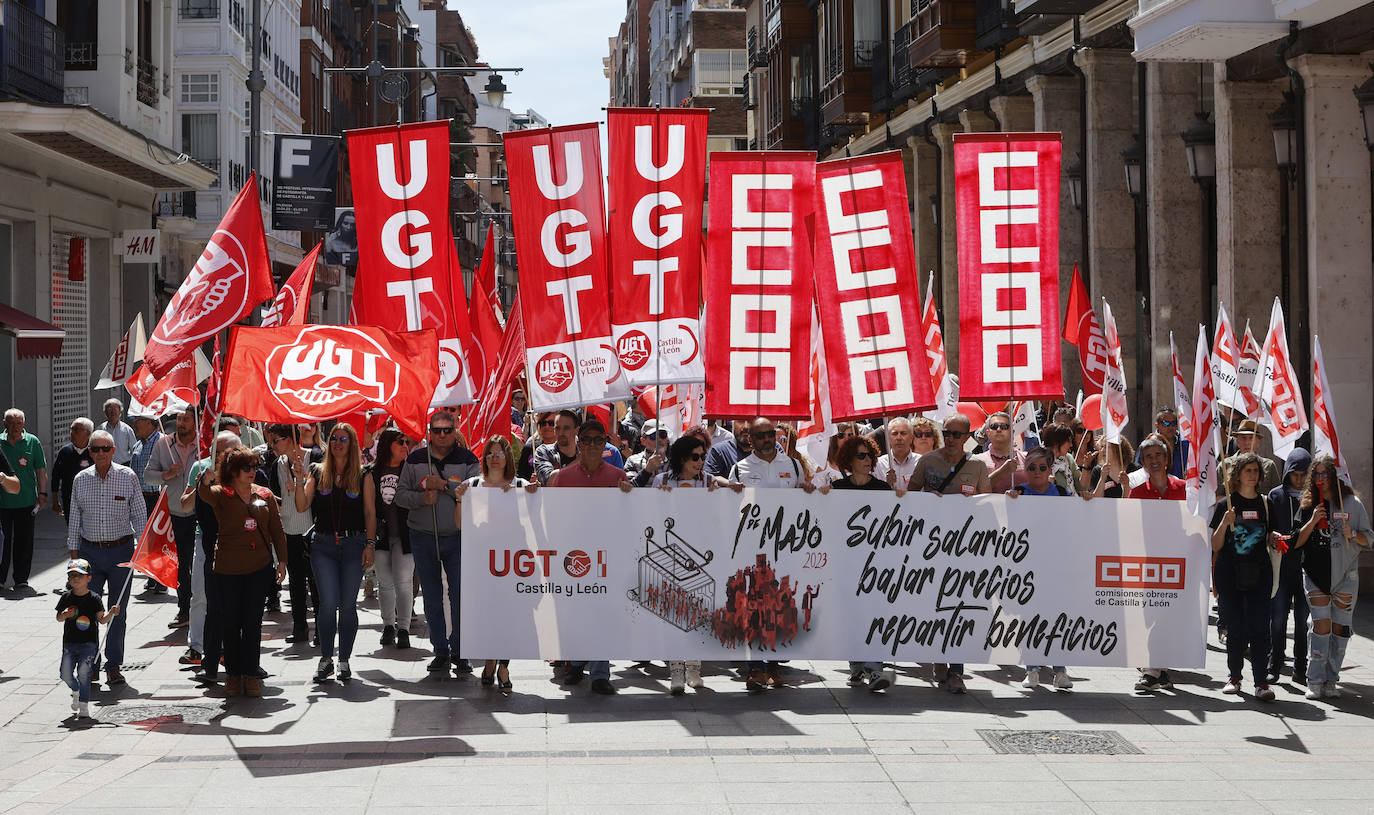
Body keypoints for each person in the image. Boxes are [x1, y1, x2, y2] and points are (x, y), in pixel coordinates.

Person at [728, 417, 816, 692]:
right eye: (761, 435)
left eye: (770, 434)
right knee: (753, 607)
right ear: (750, 440)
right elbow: (729, 506)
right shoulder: (739, 468)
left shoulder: (791, 465)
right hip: (752, 549)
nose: (768, 439)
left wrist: (809, 492)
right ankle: (755, 668)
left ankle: (774, 667)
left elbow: (804, 498)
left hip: (786, 547)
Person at [908, 413, 990, 694]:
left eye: (957, 434)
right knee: (934, 606)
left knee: (959, 608)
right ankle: (938, 658)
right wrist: (926, 498)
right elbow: (910, 495)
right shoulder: (927, 461)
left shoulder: (978, 466)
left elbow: (987, 503)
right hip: (930, 548)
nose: (951, 438)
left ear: (968, 437)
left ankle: (956, 671)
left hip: (965, 549)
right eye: (947, 433)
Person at [549, 420, 633, 694]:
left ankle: (600, 674)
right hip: (573, 557)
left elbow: (630, 515)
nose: (594, 445)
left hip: (607, 557)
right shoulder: (562, 477)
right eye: (588, 440)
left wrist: (628, 498)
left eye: (600, 440)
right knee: (576, 613)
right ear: (579, 442)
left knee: (602, 614)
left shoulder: (618, 476)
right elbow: (551, 516)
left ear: (606, 443)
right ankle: (575, 662)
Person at [197, 445, 287, 697]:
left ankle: (250, 675)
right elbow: (204, 493)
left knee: (252, 623)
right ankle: (233, 675)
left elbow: (277, 530)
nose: (252, 472)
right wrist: (203, 479)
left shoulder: (265, 494)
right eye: (246, 467)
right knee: (230, 623)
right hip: (227, 569)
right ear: (233, 471)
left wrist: (282, 562)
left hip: (258, 568)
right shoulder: (221, 493)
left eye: (255, 467)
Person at [395, 409, 479, 677]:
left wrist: (442, 486)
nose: (442, 435)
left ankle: (460, 650)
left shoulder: (468, 460)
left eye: (447, 430)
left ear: (455, 431)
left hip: (457, 536)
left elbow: (475, 494)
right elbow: (399, 496)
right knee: (431, 597)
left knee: (460, 597)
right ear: (429, 433)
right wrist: (422, 498)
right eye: (437, 430)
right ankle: (440, 650)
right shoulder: (416, 459)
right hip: (422, 535)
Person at [455, 435, 538, 693]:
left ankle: (502, 664)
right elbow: (460, 524)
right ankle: (490, 659)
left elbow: (536, 521)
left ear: (507, 457)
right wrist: (459, 499)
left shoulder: (522, 484)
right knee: (487, 615)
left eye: (499, 453)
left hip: (512, 563)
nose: (494, 457)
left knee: (509, 616)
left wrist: (531, 495)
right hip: (482, 562)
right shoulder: (473, 484)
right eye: (489, 453)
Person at [65, 429, 146, 686]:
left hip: (121, 552)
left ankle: (113, 665)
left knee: (116, 611)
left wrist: (142, 549)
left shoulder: (128, 476)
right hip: (89, 554)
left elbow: (140, 515)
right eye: (95, 449)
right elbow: (74, 519)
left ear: (113, 451)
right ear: (89, 452)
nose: (100, 453)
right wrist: (74, 559)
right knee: (87, 610)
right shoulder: (81, 479)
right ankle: (91, 663)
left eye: (105, 449)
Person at [295, 422, 373, 682]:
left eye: (344, 439)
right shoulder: (317, 471)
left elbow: (370, 513)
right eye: (335, 438)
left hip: (354, 545)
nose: (338, 442)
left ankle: (344, 660)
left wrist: (370, 545)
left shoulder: (364, 475)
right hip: (324, 546)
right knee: (328, 604)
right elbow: (302, 504)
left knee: (348, 605)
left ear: (352, 445)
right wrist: (297, 480)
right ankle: (326, 658)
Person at [1292, 456, 1372, 700]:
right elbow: (1295, 540)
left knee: (1340, 627)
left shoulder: (1352, 503)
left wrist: (1354, 533)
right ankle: (1314, 679)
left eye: (1325, 473)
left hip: (1346, 574)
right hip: (1315, 574)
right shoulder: (1307, 504)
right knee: (1320, 625)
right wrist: (1314, 519)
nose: (1321, 478)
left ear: (1335, 476)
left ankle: (1331, 678)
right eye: (1316, 474)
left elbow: (1369, 539)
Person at [1210, 452, 1279, 701]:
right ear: (1237, 474)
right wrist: (1224, 522)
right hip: (1230, 572)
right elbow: (1215, 544)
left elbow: (1272, 534)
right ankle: (1234, 677)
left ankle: (1261, 683)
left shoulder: (1266, 503)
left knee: (1260, 628)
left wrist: (1275, 538)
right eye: (1248, 470)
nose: (1253, 475)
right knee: (1236, 627)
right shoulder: (1225, 504)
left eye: (1256, 471)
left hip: (1259, 572)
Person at [831, 434, 896, 693]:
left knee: (873, 613)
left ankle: (876, 668)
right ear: (849, 460)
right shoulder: (837, 489)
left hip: (876, 564)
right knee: (852, 615)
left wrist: (896, 492)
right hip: (846, 564)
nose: (868, 460)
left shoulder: (882, 489)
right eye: (861, 455)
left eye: (870, 455)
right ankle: (857, 666)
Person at [1007, 448, 1075, 690]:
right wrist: (1008, 502)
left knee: (1057, 619)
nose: (1036, 472)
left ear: (1050, 469)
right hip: (1028, 567)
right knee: (1031, 619)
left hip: (1056, 567)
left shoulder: (1062, 494)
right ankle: (1032, 670)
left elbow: (1078, 520)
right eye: (1031, 467)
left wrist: (1088, 497)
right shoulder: (1018, 493)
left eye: (1042, 467)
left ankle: (1060, 671)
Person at [257, 423, 323, 643]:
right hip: (289, 529)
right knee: (295, 580)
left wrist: (300, 483)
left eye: (276, 440)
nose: (271, 445)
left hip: (311, 528)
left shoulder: (314, 458)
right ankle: (300, 627)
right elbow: (277, 497)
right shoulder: (278, 463)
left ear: (290, 438)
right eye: (270, 440)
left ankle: (322, 630)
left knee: (316, 580)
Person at [182, 431, 240, 682]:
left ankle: (236, 657)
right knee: (203, 598)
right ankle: (199, 649)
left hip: (237, 546)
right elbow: (185, 504)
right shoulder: (200, 468)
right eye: (223, 451)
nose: (228, 457)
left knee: (236, 605)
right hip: (207, 543)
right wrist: (202, 486)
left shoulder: (242, 471)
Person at [145, 407, 200, 630]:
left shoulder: (204, 445)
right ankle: (184, 609)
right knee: (180, 564)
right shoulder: (163, 445)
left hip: (199, 514)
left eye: (186, 419)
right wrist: (166, 475)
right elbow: (148, 476)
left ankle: (202, 607)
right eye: (178, 419)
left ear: (196, 422)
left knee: (199, 564)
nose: (181, 423)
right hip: (174, 515)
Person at [1265, 449, 1311, 686]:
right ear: (1288, 473)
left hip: (1306, 567)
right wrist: (1271, 535)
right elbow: (1267, 526)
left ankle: (1301, 666)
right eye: (1296, 474)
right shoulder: (1275, 496)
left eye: (1305, 474)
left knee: (1303, 620)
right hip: (1281, 565)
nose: (1300, 479)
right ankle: (1275, 662)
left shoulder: (1314, 497)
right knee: (1279, 616)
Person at [367, 428, 415, 650]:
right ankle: (388, 626)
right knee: (385, 583)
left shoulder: (411, 470)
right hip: (381, 536)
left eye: (407, 442)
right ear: (387, 445)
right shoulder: (371, 473)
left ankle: (403, 628)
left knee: (404, 582)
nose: (405, 446)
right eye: (400, 442)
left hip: (406, 534)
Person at [55, 558, 119, 719]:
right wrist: (65, 614)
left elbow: (102, 620)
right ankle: (75, 691)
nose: (76, 578)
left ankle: (83, 705)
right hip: (69, 643)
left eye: (80, 575)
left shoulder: (95, 599)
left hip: (88, 644)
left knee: (84, 674)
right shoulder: (66, 597)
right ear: (68, 579)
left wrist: (111, 613)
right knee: (65, 674)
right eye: (72, 575)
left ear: (89, 578)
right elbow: (58, 618)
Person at [1, 408, 47, 593]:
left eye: (18, 423)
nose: (15, 427)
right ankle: (1, 578)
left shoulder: (32, 442)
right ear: (4, 424)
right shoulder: (0, 442)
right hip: (2, 503)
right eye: (11, 423)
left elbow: (41, 471)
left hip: (26, 501)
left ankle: (21, 579)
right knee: (3, 542)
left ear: (24, 424)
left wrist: (42, 494)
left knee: (24, 541)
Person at [1220, 420, 1281, 496]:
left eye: (1251, 438)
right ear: (1237, 441)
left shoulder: (1269, 466)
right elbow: (1215, 497)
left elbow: (1277, 496)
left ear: (1258, 442)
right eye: (1243, 438)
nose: (1247, 442)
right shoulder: (1225, 465)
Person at [972, 412, 1027, 495]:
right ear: (988, 433)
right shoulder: (976, 461)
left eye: (1004, 426)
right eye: (994, 427)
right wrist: (1002, 471)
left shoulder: (1027, 458)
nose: (998, 429)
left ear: (1012, 432)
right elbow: (975, 490)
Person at [51, 418, 94, 517]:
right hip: (69, 500)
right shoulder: (65, 452)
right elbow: (56, 477)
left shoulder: (95, 451)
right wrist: (55, 500)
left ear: (88, 433)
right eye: (71, 429)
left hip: (92, 501)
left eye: (76, 430)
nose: (72, 433)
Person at [1133, 408, 1189, 478]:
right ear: (1157, 425)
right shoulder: (1146, 445)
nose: (1170, 427)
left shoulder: (1185, 445)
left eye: (1173, 423)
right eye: (1166, 423)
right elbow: (1139, 470)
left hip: (1179, 487)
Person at [532, 409, 582, 485]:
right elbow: (549, 481)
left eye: (566, 428)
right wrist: (577, 462)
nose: (561, 433)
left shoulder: (587, 452)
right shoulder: (543, 452)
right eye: (557, 428)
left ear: (577, 430)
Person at [128, 410, 163, 515]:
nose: (133, 424)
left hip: (159, 499)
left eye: (136, 420)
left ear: (148, 422)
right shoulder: (137, 446)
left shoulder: (164, 442)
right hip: (140, 500)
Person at [873, 417, 919, 487]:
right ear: (888, 438)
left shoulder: (921, 462)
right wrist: (886, 484)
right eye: (895, 434)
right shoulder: (878, 465)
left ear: (911, 438)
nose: (899, 438)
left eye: (903, 433)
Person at [625, 420, 671, 487]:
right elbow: (628, 488)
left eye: (662, 434)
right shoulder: (633, 461)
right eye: (654, 436)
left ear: (667, 438)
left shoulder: (676, 462)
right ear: (643, 441)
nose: (659, 439)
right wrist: (647, 470)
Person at [518, 412, 556, 481]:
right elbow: (521, 475)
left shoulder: (565, 449)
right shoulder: (529, 448)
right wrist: (529, 482)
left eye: (551, 423)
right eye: (543, 423)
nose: (547, 426)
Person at [99, 398, 137, 466]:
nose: (112, 412)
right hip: (104, 465)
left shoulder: (127, 429)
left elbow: (134, 451)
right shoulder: (100, 430)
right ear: (105, 412)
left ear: (120, 412)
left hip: (124, 465)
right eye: (110, 409)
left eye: (115, 409)